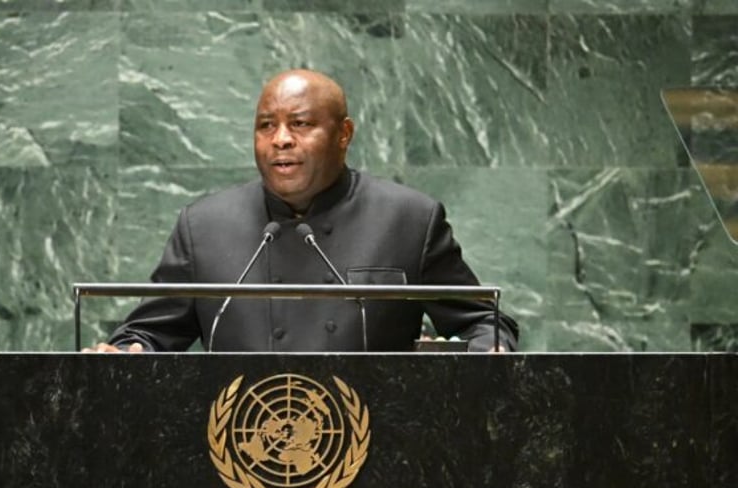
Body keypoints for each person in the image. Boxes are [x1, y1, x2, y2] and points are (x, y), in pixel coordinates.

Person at [87, 69, 518, 353]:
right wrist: (126, 354)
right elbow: (148, 334)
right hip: (237, 458)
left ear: (343, 134)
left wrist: (486, 354)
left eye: (300, 124)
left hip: (380, 460)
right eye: (266, 126)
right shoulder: (204, 227)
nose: (281, 140)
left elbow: (486, 322)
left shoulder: (409, 219)